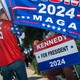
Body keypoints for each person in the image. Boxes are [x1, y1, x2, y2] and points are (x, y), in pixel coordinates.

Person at [0, 8, 28, 80]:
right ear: (5, 14)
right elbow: (22, 35)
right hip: (15, 58)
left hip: (3, 63)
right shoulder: (10, 24)